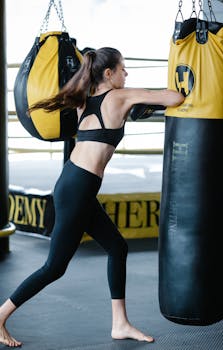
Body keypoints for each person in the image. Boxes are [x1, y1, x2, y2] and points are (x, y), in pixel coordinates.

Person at [0, 47, 184, 347]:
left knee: (117, 247)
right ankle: (1, 315)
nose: (127, 73)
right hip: (78, 189)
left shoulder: (84, 102)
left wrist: (135, 108)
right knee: (54, 267)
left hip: (75, 183)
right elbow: (174, 98)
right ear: (108, 73)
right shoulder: (119, 96)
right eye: (123, 68)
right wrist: (144, 102)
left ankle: (120, 323)